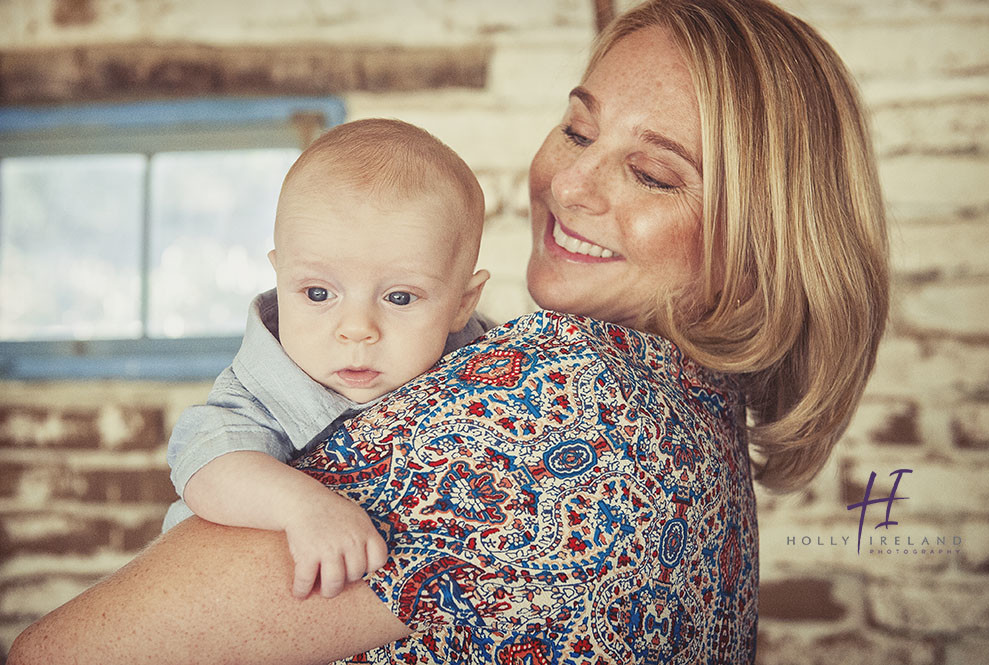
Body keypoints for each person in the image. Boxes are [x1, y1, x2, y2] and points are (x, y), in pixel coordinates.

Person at [8, 0, 889, 663]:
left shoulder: (564, 405)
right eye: (576, 127)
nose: (569, 182)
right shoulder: (691, 415)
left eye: (653, 174)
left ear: (759, 245)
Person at [161, 117, 492, 599]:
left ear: (463, 303)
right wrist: (301, 506)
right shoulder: (258, 388)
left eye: (400, 298)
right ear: (281, 278)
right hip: (217, 607)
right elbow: (205, 467)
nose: (356, 328)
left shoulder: (491, 364)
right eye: (318, 293)